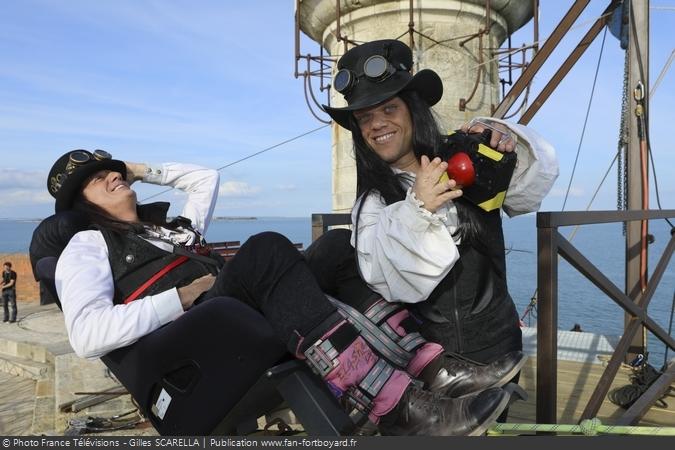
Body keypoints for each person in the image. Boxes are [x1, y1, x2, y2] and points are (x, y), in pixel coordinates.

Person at [46, 148, 516, 436]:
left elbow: (204, 177)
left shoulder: (169, 228)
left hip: (230, 317)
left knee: (336, 245)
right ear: (81, 206)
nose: (109, 177)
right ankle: (396, 406)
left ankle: (427, 367)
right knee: (266, 249)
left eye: (109, 170)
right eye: (92, 180)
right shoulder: (87, 245)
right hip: (196, 348)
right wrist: (183, 297)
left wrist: (135, 167)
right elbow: (87, 334)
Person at [318, 40, 558, 382]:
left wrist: (506, 140)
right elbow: (388, 280)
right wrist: (418, 208)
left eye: (389, 109)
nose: (376, 125)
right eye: (364, 117)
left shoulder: (466, 155)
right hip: (431, 364)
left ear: (413, 109)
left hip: (499, 345)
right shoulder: (371, 202)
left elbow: (533, 183)